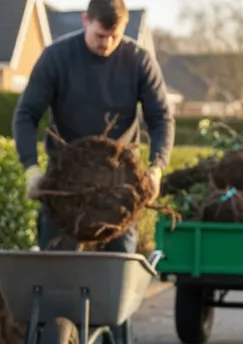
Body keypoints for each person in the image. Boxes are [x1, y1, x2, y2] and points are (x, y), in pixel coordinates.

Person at [13, 0, 174, 254]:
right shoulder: (57, 58)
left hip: (120, 182)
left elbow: (161, 118)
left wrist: (156, 168)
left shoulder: (138, 61)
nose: (107, 44)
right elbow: (26, 114)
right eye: (100, 35)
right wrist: (31, 167)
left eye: (115, 36)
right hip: (65, 181)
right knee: (56, 271)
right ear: (85, 20)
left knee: (117, 271)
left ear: (125, 27)